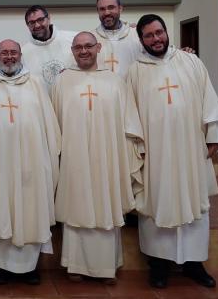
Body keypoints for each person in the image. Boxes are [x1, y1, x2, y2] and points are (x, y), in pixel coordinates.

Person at [127, 14, 218, 289]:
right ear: (141, 40)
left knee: (194, 201)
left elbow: (210, 98)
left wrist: (214, 133)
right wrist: (138, 149)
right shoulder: (135, 71)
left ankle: (195, 264)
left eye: (158, 32)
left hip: (190, 148)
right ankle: (158, 266)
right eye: (148, 35)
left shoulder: (190, 62)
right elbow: (130, 113)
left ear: (166, 32)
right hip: (155, 152)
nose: (156, 39)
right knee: (157, 201)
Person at [51, 32, 143, 284]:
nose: (83, 51)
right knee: (76, 205)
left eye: (88, 46)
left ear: (98, 48)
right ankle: (76, 265)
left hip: (107, 157)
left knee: (105, 204)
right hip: (74, 157)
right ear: (72, 51)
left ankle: (106, 268)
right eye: (78, 47)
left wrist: (128, 154)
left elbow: (129, 123)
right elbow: (54, 123)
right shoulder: (62, 81)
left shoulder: (115, 81)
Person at [0, 39, 60, 285]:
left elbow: (48, 124)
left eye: (13, 52)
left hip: (30, 161)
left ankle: (28, 267)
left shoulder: (36, 83)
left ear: (21, 54)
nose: (9, 57)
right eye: (4, 53)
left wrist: (51, 155)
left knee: (29, 209)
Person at [21, 5, 77, 89]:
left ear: (49, 18)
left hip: (70, 97)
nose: (37, 25)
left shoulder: (73, 39)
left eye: (40, 20)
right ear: (27, 25)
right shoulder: (23, 53)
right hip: (43, 101)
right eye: (32, 22)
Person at [91, 0, 144, 78]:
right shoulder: (91, 39)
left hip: (130, 90)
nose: (107, 12)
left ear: (120, 8)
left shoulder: (136, 34)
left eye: (111, 7)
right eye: (102, 9)